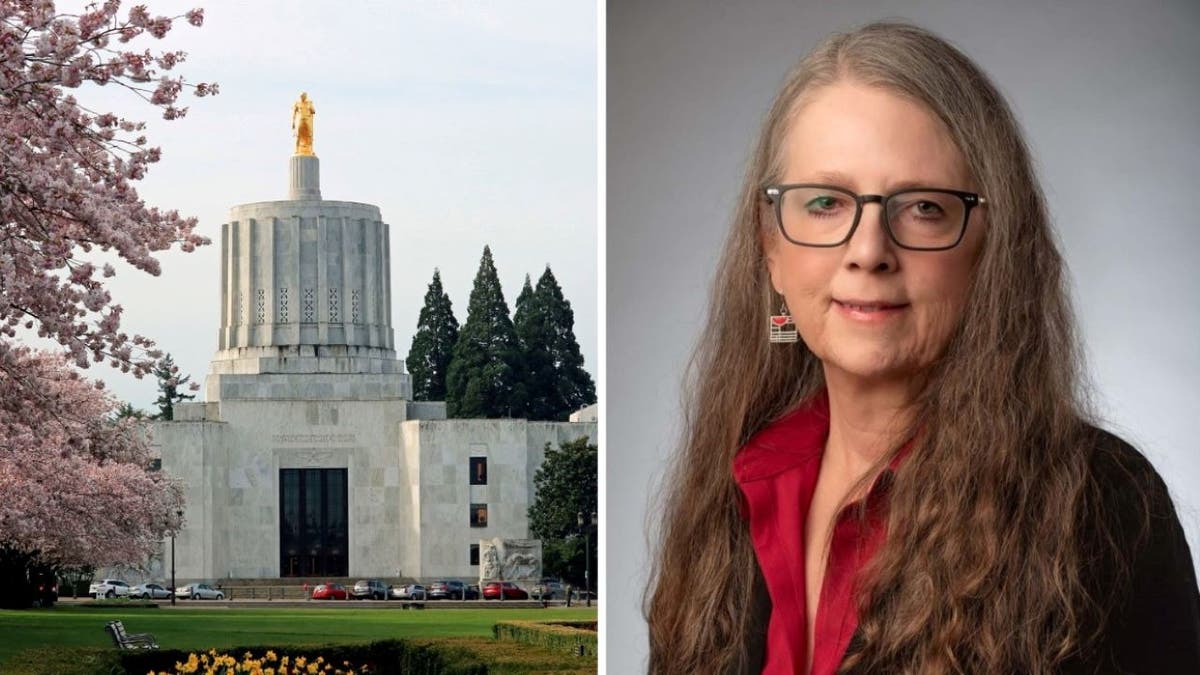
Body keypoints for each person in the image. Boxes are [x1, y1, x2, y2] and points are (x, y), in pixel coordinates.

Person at [644, 21, 1200, 675]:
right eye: (825, 201)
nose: (869, 250)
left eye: (924, 207)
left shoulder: (1103, 508)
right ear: (771, 247)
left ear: (992, 245)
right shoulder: (732, 492)